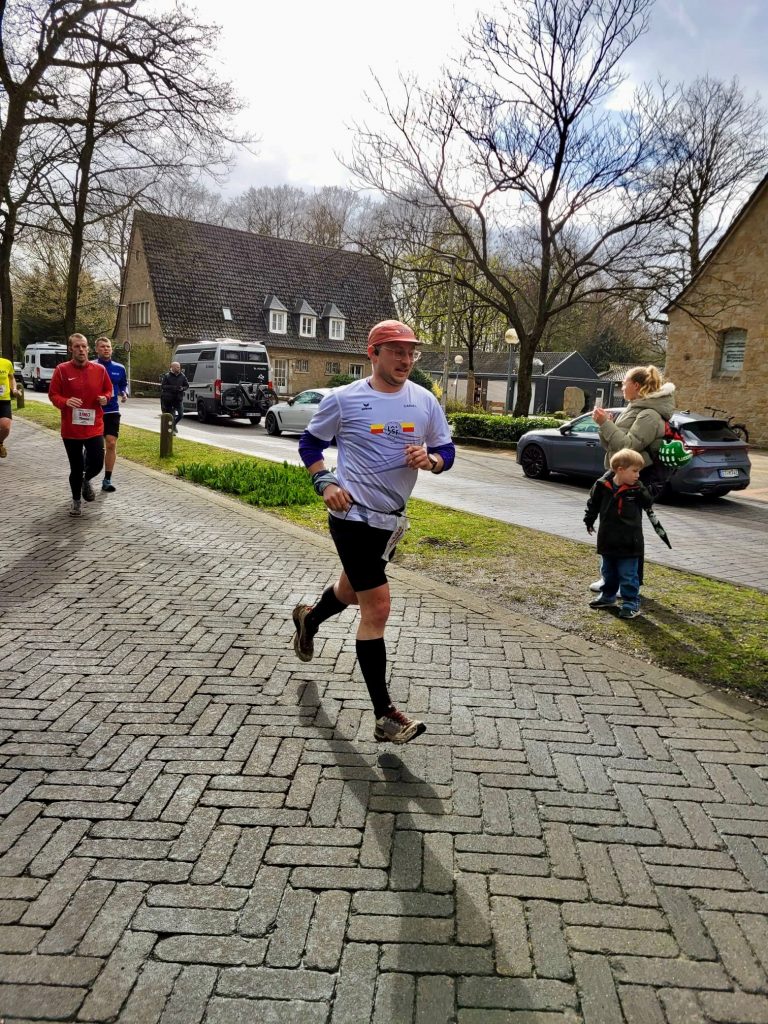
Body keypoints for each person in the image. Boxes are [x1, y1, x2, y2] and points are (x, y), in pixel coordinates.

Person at [293, 320, 456, 744]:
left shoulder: (423, 401)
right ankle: (385, 716)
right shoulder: (345, 400)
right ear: (374, 353)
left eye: (411, 352)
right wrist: (324, 482)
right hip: (352, 518)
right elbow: (310, 445)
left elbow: (446, 450)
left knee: (350, 591)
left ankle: (309, 619)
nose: (406, 359)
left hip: (390, 522)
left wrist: (431, 460)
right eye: (397, 351)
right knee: (377, 605)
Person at [589, 365, 675, 593]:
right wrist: (605, 425)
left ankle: (629, 582)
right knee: (612, 525)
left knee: (628, 531)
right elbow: (611, 446)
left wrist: (605, 424)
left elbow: (627, 448)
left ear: (636, 386)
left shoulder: (648, 414)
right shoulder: (635, 408)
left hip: (637, 478)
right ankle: (610, 579)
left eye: (624, 382)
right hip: (620, 474)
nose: (621, 386)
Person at [584, 448, 653, 620]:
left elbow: (648, 501)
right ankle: (608, 597)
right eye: (634, 471)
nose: (637, 475)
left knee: (628, 575)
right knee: (608, 571)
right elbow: (593, 504)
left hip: (630, 542)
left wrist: (641, 489)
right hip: (608, 539)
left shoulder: (636, 489)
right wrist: (589, 520)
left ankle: (631, 603)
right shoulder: (602, 486)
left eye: (639, 472)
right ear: (620, 469)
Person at [49, 334, 112, 516]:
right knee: (76, 468)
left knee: (98, 462)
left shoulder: (99, 370)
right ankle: (76, 501)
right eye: (77, 347)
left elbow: (109, 390)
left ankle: (86, 479)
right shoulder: (61, 370)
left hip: (94, 426)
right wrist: (65, 401)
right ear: (71, 349)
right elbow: (53, 395)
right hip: (71, 429)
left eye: (84, 346)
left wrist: (105, 398)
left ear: (88, 348)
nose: (81, 350)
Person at [93, 336, 128, 492]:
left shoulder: (119, 368)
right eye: (102, 346)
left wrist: (124, 393)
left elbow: (123, 384)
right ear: (96, 349)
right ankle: (86, 474)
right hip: (93, 411)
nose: (105, 349)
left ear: (111, 349)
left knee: (111, 443)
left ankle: (107, 479)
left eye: (108, 346)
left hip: (112, 410)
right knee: (94, 447)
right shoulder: (90, 366)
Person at [160, 361, 188, 434]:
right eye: (177, 367)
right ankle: (171, 430)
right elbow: (163, 386)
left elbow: (187, 385)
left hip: (178, 399)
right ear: (172, 367)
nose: (179, 368)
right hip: (169, 400)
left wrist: (182, 388)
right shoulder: (167, 376)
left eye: (179, 367)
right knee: (172, 415)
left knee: (181, 414)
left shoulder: (182, 376)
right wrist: (173, 388)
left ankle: (173, 425)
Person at [0, 352, 18, 458]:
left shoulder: (6, 363)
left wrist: (14, 389)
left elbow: (11, 378)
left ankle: (0, 443)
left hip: (4, 400)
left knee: (5, 427)